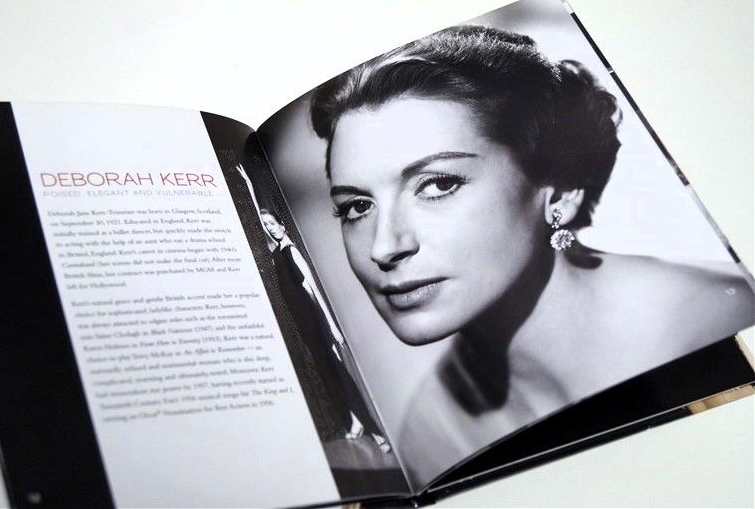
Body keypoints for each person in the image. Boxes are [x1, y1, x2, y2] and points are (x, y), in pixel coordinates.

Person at [309, 25, 755, 484]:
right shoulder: (432, 432)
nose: (384, 247)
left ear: (558, 191)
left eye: (439, 184)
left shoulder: (713, 321)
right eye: (356, 207)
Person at [236, 165, 391, 453]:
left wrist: (331, 327)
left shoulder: (293, 252)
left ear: (283, 225)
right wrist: (248, 186)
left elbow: (314, 293)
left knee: (342, 378)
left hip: (318, 324)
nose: (270, 228)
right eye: (267, 226)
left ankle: (376, 432)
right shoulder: (277, 252)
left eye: (273, 224)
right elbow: (258, 220)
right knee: (329, 378)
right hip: (307, 328)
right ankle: (354, 423)